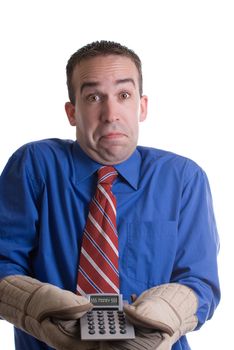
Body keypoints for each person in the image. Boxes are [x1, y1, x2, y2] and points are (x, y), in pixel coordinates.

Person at [0, 40, 220, 350]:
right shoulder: (35, 166)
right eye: (93, 97)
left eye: (124, 95)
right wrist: (34, 305)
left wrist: (171, 311)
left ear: (141, 107)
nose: (110, 113)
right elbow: (3, 262)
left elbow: (201, 284)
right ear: (72, 111)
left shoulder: (184, 178)